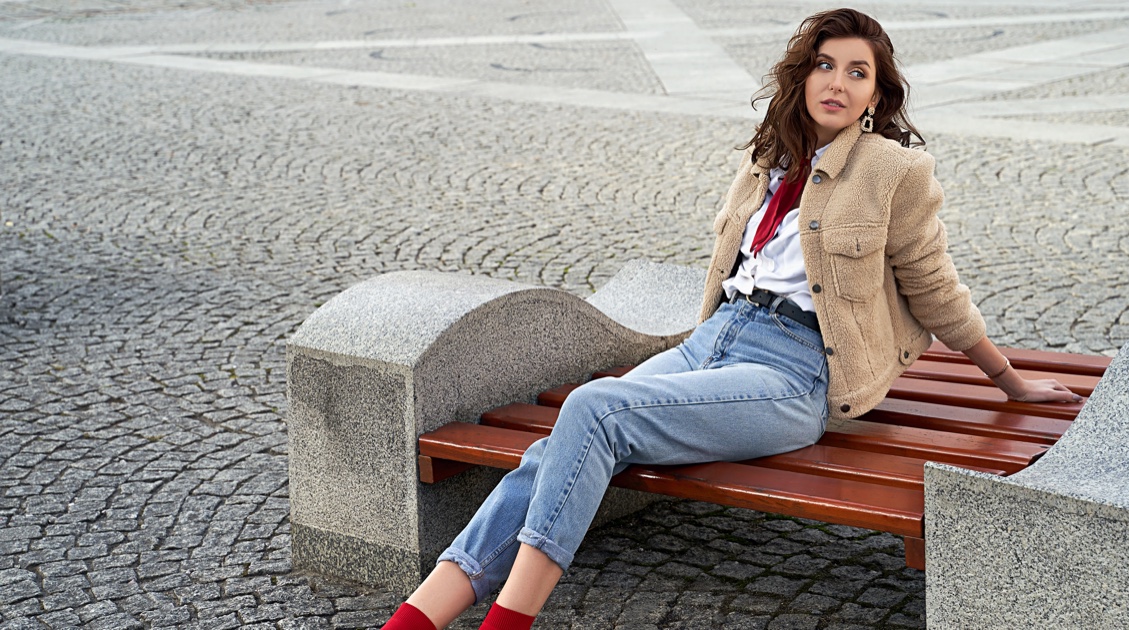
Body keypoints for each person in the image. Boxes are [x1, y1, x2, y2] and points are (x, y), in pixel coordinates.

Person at [381, 8, 1081, 630]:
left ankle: (510, 619)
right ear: (802, 77)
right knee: (558, 448)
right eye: (824, 64)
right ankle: (418, 618)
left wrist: (1010, 383)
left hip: (791, 373)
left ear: (877, 94)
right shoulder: (768, 156)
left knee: (594, 410)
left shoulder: (894, 171)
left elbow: (934, 287)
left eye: (858, 72)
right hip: (711, 343)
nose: (837, 81)